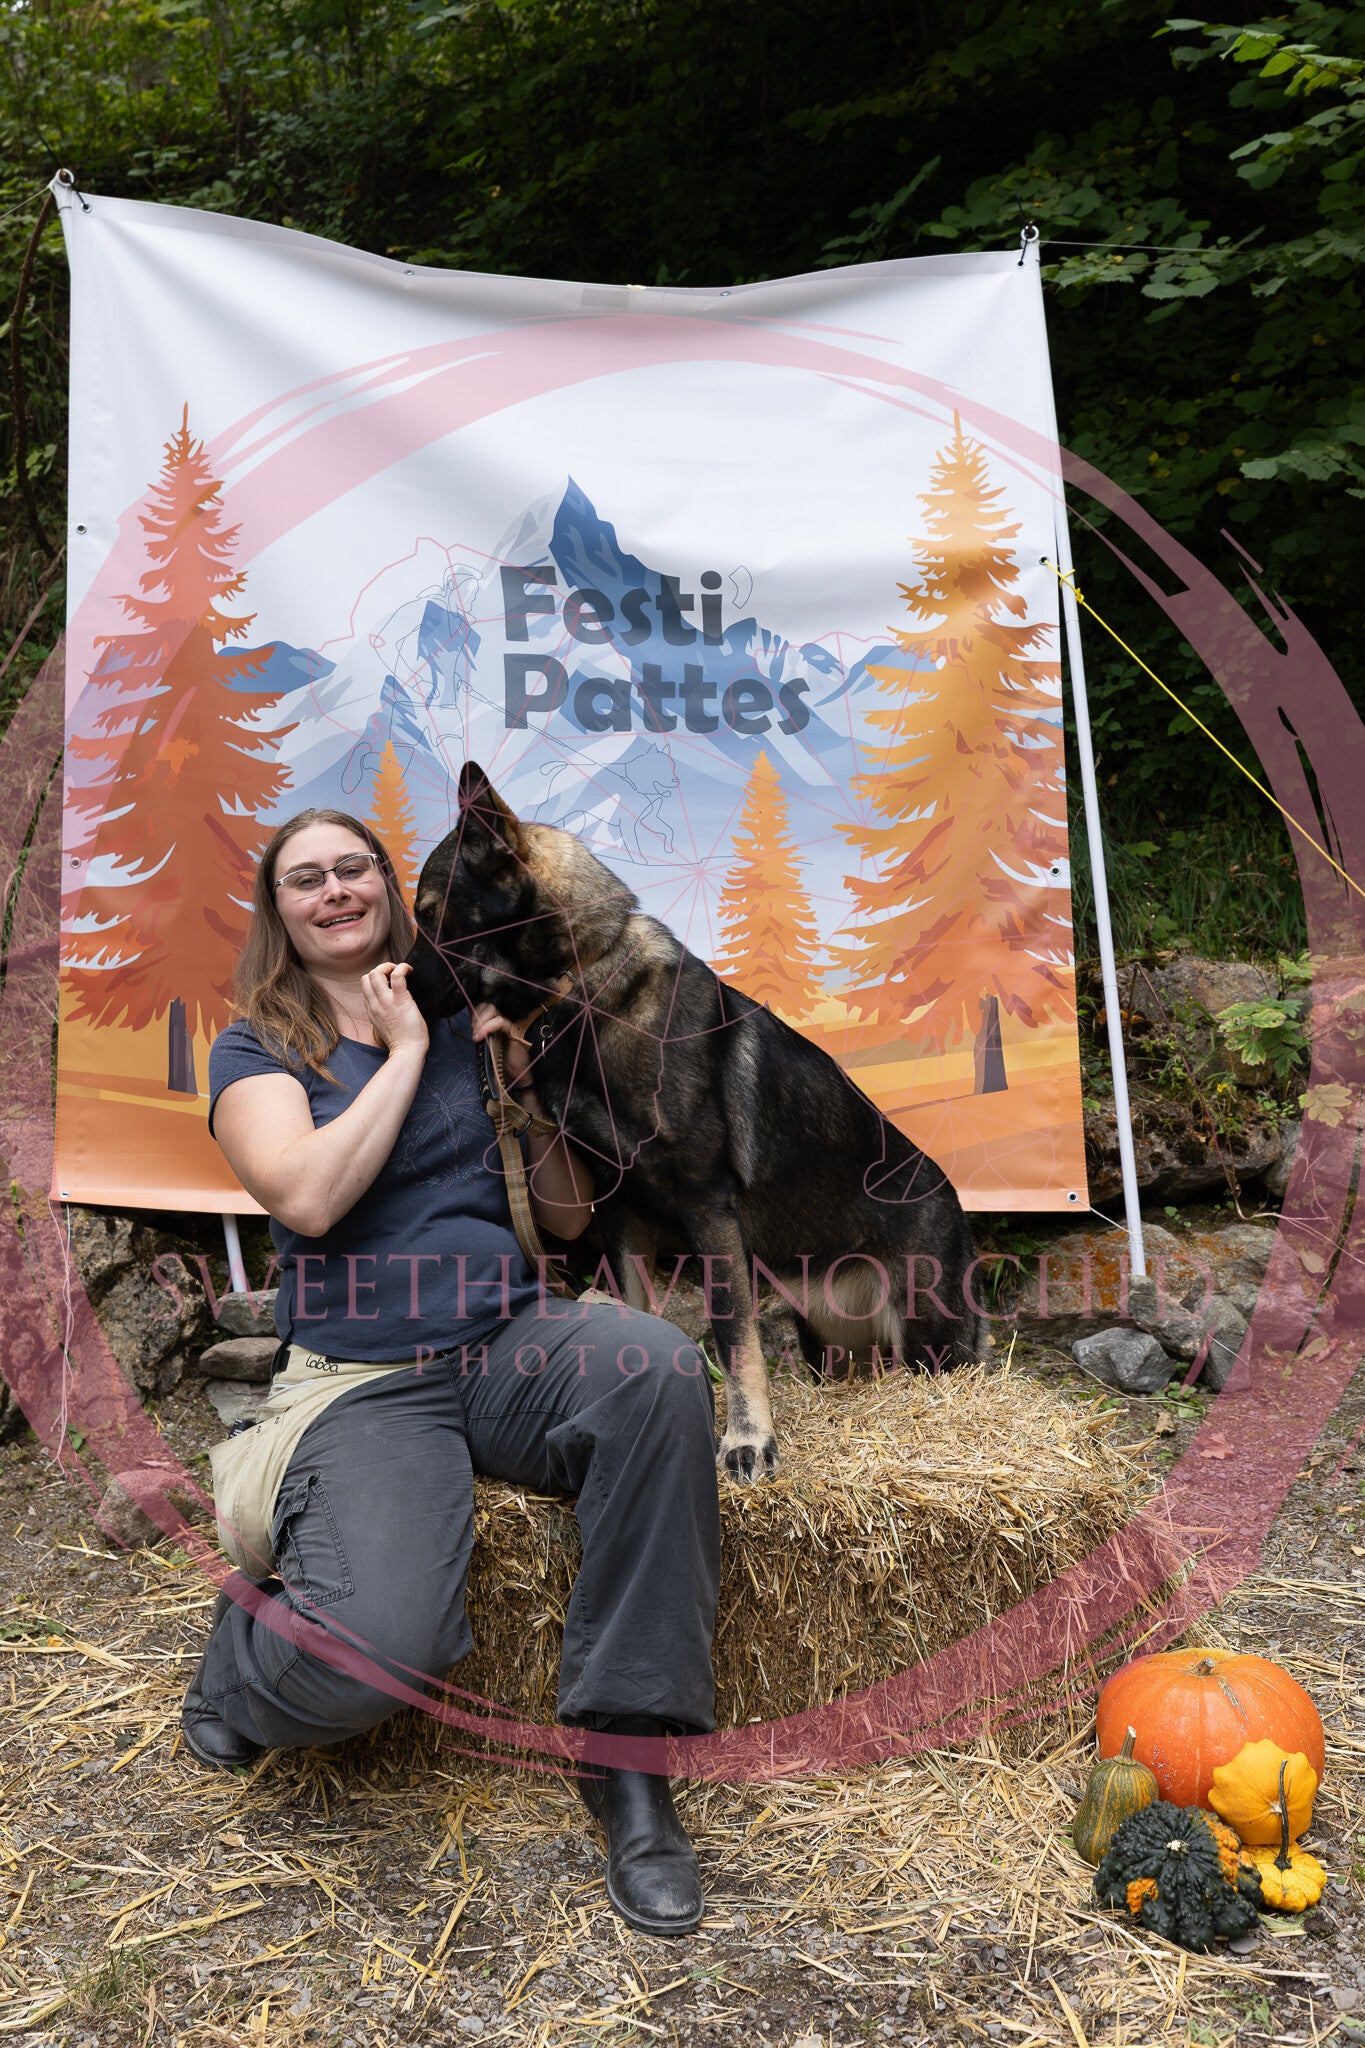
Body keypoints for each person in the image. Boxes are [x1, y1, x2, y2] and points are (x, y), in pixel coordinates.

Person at [181, 807, 721, 1938]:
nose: (335, 889)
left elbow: (565, 1219)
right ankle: (244, 1651)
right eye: (305, 879)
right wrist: (408, 1055)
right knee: (373, 1661)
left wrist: (523, 1089)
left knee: (658, 1367)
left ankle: (627, 1755)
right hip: (362, 1375)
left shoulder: (467, 1017)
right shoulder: (257, 1048)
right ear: (277, 913)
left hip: (506, 1340)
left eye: (353, 868)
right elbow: (308, 1197)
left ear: (389, 887)